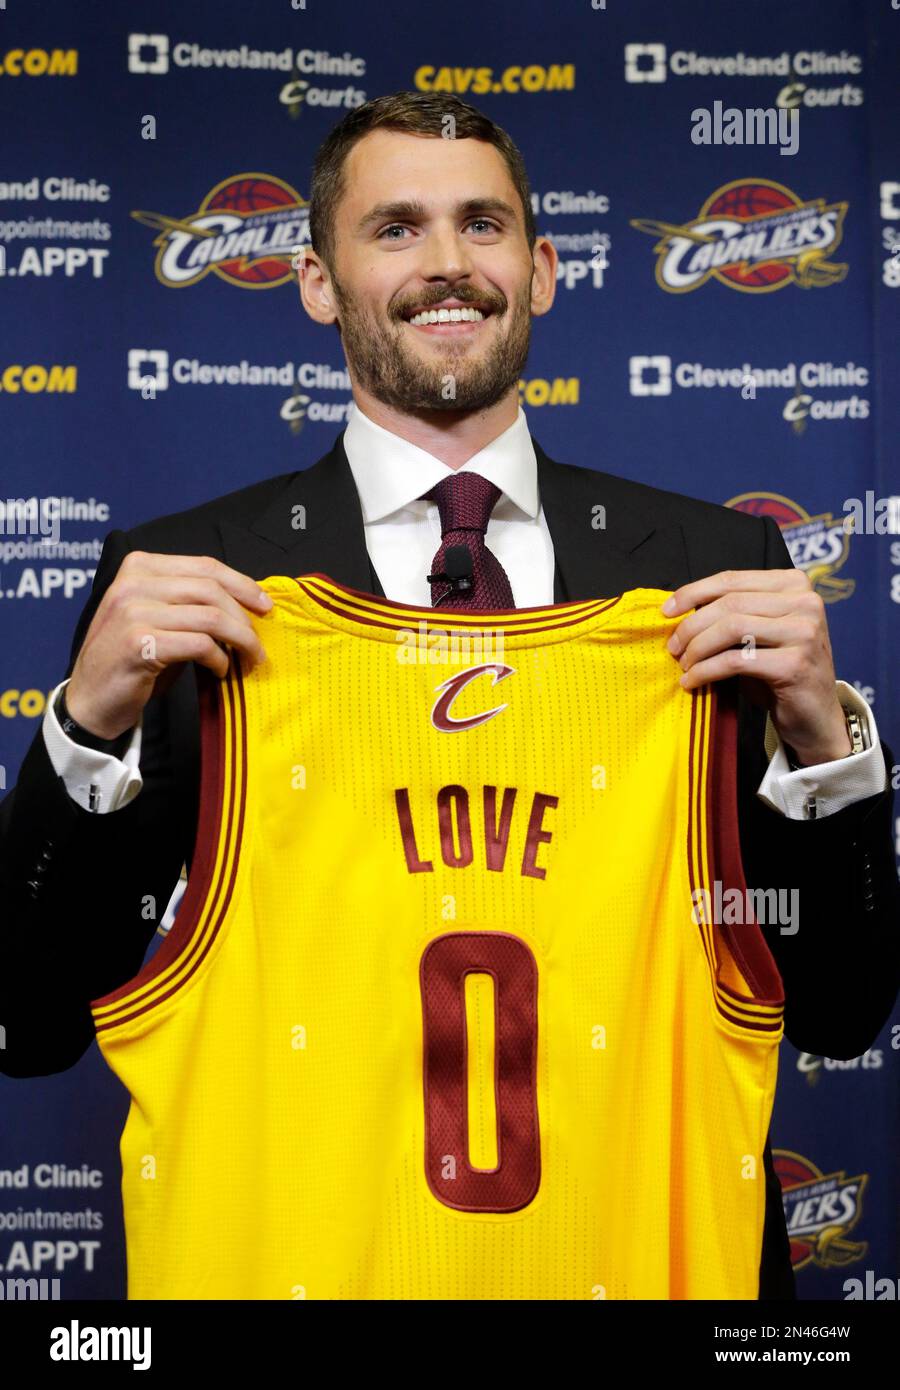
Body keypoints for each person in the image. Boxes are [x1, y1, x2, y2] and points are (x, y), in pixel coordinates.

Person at [1, 92, 897, 1301]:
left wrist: (824, 748)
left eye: (482, 226)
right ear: (316, 280)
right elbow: (30, 1019)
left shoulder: (712, 573)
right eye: (395, 229)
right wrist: (85, 731)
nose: (446, 265)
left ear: (542, 270)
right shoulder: (187, 585)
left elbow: (840, 1012)